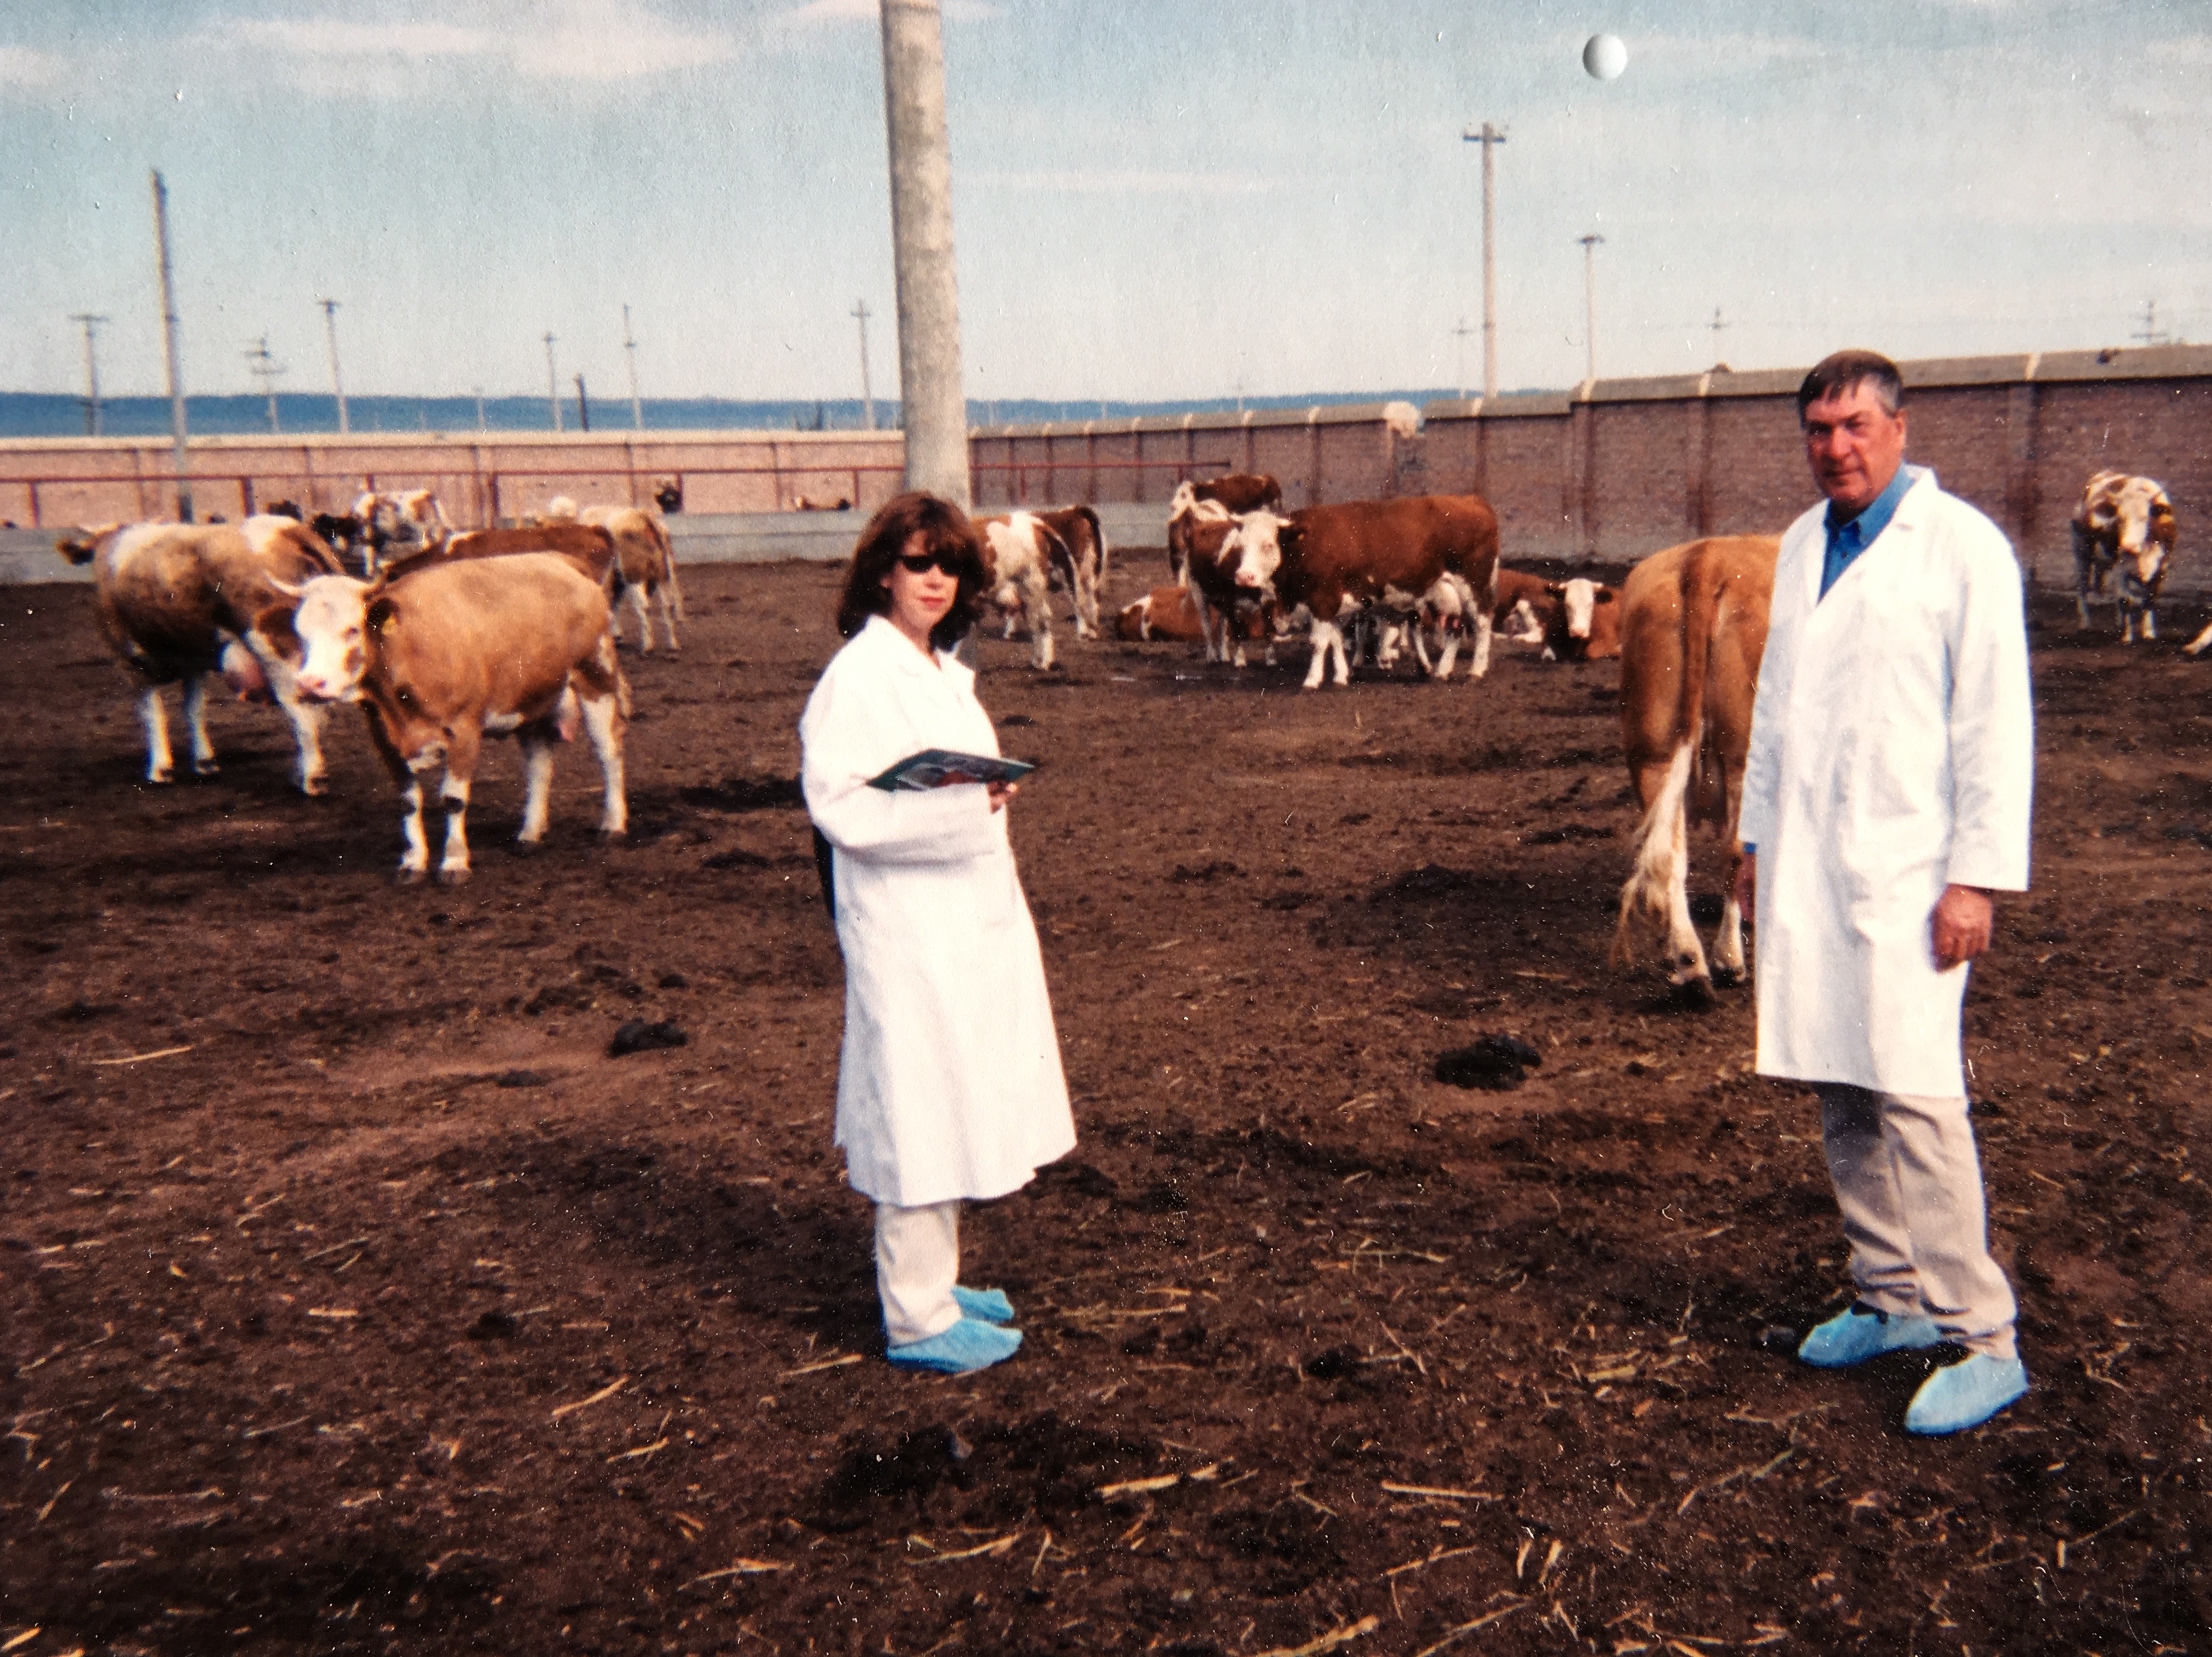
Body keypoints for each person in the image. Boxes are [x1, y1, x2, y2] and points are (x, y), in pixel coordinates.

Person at [1733, 351, 2034, 1436]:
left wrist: (1976, 879)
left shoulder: (1962, 548)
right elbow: (1775, 703)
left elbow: (1995, 722)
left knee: (1915, 1093)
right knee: (1837, 1077)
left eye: (1855, 425)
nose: (1836, 448)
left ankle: (1982, 1333)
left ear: (1900, 427)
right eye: (1818, 430)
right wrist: (1756, 836)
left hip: (1914, 871)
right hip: (1814, 858)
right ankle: (1889, 1292)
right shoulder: (1806, 542)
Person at [799, 492, 1076, 1376]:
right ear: (884, 569)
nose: (935, 580)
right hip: (906, 925)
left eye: (950, 565)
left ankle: (938, 1283)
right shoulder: (860, 675)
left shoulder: (934, 665)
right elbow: (840, 805)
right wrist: (968, 803)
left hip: (960, 917)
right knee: (917, 1103)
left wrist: (984, 793)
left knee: (953, 1088)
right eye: (919, 562)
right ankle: (916, 1315)